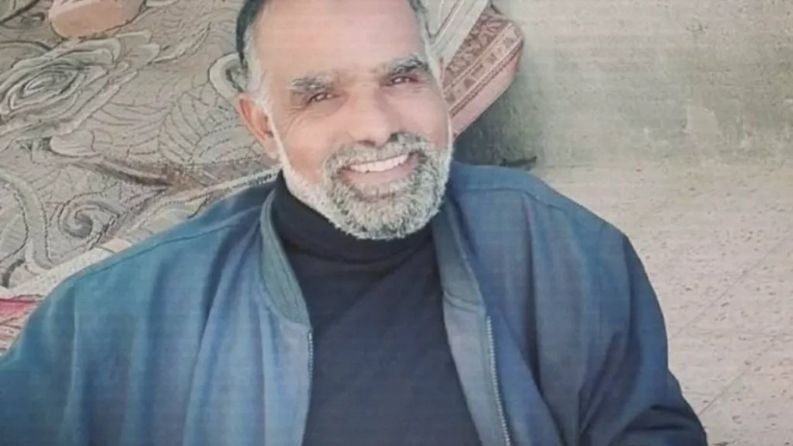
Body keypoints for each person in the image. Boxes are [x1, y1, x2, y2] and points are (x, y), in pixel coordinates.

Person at [0, 0, 707, 444]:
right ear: (262, 127)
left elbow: (645, 426)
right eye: (319, 96)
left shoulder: (557, 247)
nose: (375, 127)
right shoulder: (118, 316)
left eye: (402, 78)